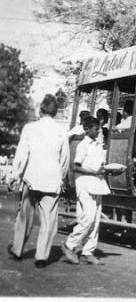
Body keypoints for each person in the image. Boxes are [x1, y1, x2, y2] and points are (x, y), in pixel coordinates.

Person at [8, 94, 70, 268]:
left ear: (40, 110)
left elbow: (21, 155)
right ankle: (41, 256)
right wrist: (62, 177)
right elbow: (65, 159)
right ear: (56, 112)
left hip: (32, 178)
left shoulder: (30, 128)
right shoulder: (61, 131)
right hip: (52, 179)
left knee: (25, 216)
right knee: (49, 220)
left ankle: (18, 250)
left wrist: (15, 175)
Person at [61, 116, 111, 265]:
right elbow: (76, 167)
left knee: (95, 220)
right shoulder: (83, 145)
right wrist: (93, 173)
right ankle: (69, 244)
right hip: (85, 183)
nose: (98, 132)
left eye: (99, 129)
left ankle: (88, 252)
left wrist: (104, 170)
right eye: (95, 130)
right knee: (87, 217)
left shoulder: (98, 145)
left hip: (97, 183)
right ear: (87, 129)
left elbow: (98, 165)